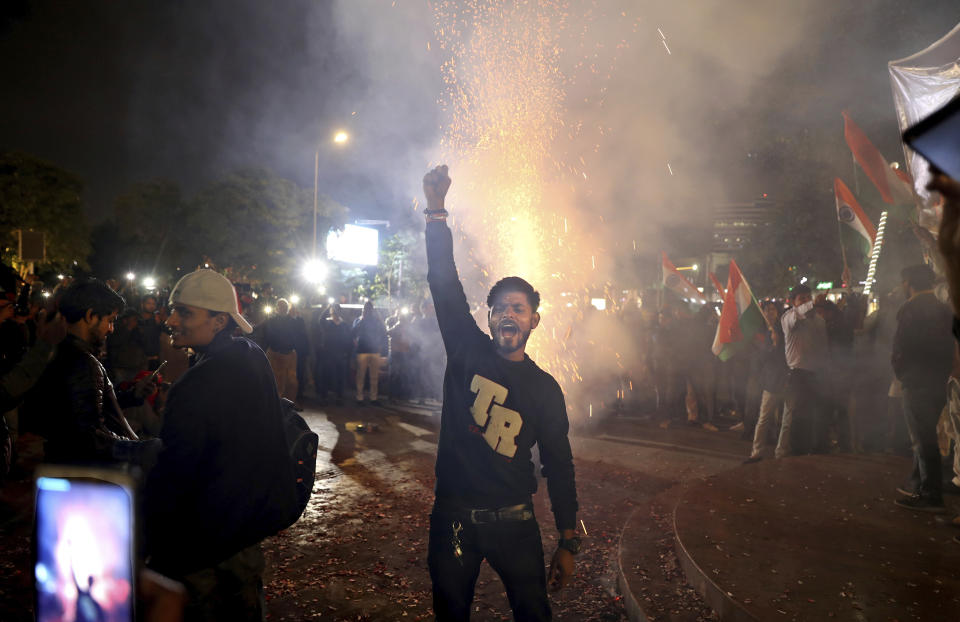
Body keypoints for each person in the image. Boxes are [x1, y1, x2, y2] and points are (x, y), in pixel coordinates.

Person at [422, 165, 579, 621]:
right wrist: (435, 211)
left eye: (518, 308)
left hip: (515, 523)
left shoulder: (546, 388)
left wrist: (568, 540)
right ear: (488, 319)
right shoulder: (466, 349)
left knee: (533, 614)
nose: (508, 314)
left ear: (534, 321)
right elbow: (443, 283)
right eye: (499, 308)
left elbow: (560, 465)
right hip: (453, 519)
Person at [144, 269, 296, 620]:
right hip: (243, 538)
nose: (171, 320)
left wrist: (153, 548)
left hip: (202, 550)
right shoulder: (252, 356)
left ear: (219, 321)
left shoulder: (197, 385)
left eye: (185, 312)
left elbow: (174, 477)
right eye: (173, 310)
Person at [23, 279, 156, 465]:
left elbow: (88, 405)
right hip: (81, 471)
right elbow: (88, 435)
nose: (111, 329)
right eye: (110, 321)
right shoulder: (81, 361)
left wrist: (131, 395)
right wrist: (139, 448)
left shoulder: (63, 352)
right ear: (90, 316)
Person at [891, 264, 954, 512]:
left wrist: (902, 373)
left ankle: (931, 495)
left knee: (922, 438)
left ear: (908, 283)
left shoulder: (910, 309)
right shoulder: (942, 309)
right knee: (926, 435)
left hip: (917, 381)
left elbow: (901, 347)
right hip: (939, 379)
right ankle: (919, 483)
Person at [779, 285, 829, 456]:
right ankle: (794, 453)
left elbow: (823, 347)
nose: (806, 301)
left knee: (812, 415)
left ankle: (809, 451)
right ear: (793, 302)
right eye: (802, 298)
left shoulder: (818, 320)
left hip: (815, 374)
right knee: (796, 417)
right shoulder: (789, 317)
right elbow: (799, 315)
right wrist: (813, 303)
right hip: (797, 374)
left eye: (809, 297)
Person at [744, 300, 789, 462]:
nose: (770, 312)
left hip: (785, 378)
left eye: (773, 309)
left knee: (785, 419)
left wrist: (779, 342)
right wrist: (773, 345)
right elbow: (760, 355)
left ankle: (781, 452)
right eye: (767, 309)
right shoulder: (760, 330)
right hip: (769, 379)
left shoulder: (783, 328)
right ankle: (756, 452)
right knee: (764, 417)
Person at [259, 298, 307, 402]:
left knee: (291, 382)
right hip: (275, 354)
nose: (283, 309)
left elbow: (299, 336)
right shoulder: (271, 321)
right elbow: (267, 337)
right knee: (276, 382)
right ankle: (275, 405)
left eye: (285, 307)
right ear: (277, 308)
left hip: (289, 354)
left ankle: (289, 405)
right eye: (281, 307)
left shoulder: (294, 321)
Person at [352, 300, 387, 405]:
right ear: (363, 309)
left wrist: (381, 347)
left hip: (374, 351)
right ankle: (359, 398)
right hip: (362, 351)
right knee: (360, 375)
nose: (368, 310)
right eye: (366, 308)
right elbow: (353, 332)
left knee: (374, 376)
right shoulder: (359, 320)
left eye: (370, 309)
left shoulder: (377, 321)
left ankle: (373, 398)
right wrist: (362, 319)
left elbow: (383, 333)